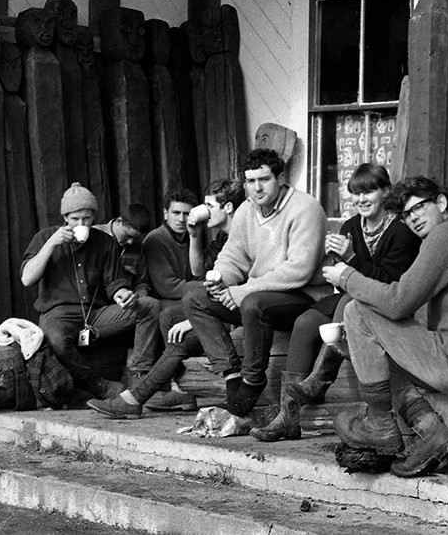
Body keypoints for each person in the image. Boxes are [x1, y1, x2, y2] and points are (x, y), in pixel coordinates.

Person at [88, 149, 328, 419]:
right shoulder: (248, 210)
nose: (257, 188)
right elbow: (233, 255)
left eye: (264, 179)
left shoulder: (305, 209)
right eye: (250, 181)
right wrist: (219, 279)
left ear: (280, 178)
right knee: (194, 295)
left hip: (301, 297)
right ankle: (232, 377)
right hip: (258, 295)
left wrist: (241, 290)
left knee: (253, 303)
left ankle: (251, 383)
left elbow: (299, 270)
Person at [322, 177, 448, 478]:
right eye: (405, 214)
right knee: (380, 351)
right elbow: (408, 307)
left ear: (441, 203)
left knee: (356, 310)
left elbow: (398, 303)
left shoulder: (447, 235)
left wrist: (347, 276)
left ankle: (379, 422)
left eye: (418, 208)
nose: (412, 218)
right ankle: (432, 434)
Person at [251, 163, 420, 442]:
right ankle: (288, 417)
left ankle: (319, 380)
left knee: (348, 304)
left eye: (369, 192)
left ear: (385, 192)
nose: (361, 200)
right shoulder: (351, 226)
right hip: (349, 295)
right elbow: (341, 274)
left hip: (386, 302)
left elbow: (390, 282)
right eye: (356, 193)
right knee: (305, 322)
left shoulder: (402, 231)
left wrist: (352, 258)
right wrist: (333, 262)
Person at [87, 178, 247, 418]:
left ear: (228, 209)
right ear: (165, 214)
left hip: (240, 308)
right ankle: (139, 396)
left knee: (177, 317)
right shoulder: (218, 239)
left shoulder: (245, 235)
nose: (186, 218)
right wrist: (195, 240)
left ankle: (142, 395)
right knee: (173, 326)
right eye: (177, 213)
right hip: (211, 305)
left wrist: (195, 314)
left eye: (207, 207)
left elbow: (223, 287)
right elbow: (197, 276)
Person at [21, 184, 160, 400]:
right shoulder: (45, 237)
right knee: (55, 337)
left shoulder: (105, 242)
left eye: (86, 218)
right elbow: (27, 278)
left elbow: (114, 282)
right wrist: (51, 244)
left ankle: (138, 376)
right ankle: (98, 385)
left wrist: (122, 293)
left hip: (96, 315)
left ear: (94, 216)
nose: (81, 224)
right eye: (75, 219)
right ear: (65, 217)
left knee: (150, 307)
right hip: (59, 314)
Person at [138, 188, 199, 397]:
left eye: (186, 214)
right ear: (165, 213)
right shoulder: (156, 239)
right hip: (163, 300)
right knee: (168, 315)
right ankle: (172, 383)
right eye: (176, 213)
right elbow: (168, 286)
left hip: (186, 299)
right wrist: (203, 289)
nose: (181, 219)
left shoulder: (193, 236)